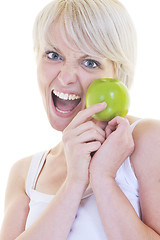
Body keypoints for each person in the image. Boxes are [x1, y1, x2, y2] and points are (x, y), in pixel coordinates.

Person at [1, 0, 160, 239]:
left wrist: (103, 179)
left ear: (118, 75)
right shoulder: (25, 173)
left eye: (90, 62)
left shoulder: (146, 139)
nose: (65, 78)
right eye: (53, 55)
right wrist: (74, 182)